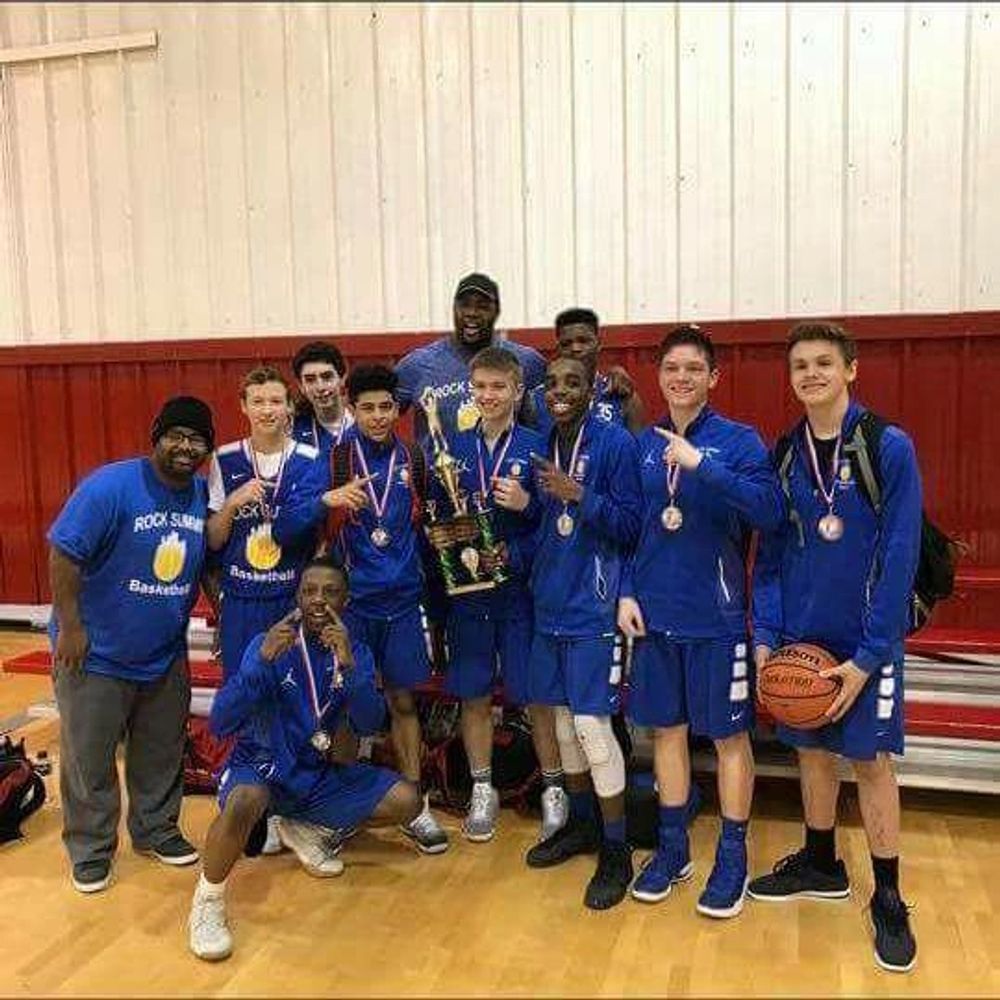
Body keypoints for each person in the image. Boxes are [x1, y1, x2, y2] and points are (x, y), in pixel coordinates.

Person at [750, 322, 922, 973]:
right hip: (803, 641)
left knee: (871, 763)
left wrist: (871, 657)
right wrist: (767, 637)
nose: (812, 374)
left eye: (824, 362)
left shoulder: (887, 446)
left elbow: (901, 554)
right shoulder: (787, 453)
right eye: (801, 365)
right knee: (813, 755)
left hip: (866, 644)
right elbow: (769, 555)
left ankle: (889, 896)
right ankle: (822, 863)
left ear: (851, 369)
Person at [618, 325, 783, 917]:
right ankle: (673, 850)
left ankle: (732, 858)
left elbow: (770, 511)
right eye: (671, 369)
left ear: (713, 377)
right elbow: (634, 526)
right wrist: (626, 591)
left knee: (730, 739)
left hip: (717, 619)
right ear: (659, 377)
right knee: (666, 733)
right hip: (656, 618)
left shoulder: (739, 441)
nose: (681, 378)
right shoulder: (642, 445)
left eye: (693, 369)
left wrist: (701, 467)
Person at [187, 556, 421, 961]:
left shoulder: (355, 652)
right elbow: (222, 721)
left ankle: (305, 828)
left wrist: (350, 668)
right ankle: (207, 902)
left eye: (330, 592)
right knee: (245, 801)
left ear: (346, 601)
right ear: (297, 597)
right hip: (260, 768)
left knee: (408, 801)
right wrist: (260, 663)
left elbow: (368, 723)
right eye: (309, 591)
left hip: (313, 776)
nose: (318, 600)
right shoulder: (269, 643)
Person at [48, 396, 215, 893]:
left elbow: (206, 561)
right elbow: (64, 553)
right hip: (96, 653)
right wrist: (71, 626)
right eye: (176, 436)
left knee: (161, 752)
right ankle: (91, 848)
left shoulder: (200, 493)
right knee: (89, 757)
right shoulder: (110, 486)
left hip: (163, 653)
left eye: (197, 439)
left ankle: (156, 830)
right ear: (156, 438)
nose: (185, 447)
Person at [282, 364, 450, 854]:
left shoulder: (414, 457)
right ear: (352, 409)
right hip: (349, 611)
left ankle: (415, 807)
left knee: (403, 703)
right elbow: (286, 527)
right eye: (368, 408)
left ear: (398, 410)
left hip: (402, 607)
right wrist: (326, 499)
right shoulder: (333, 461)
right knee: (343, 709)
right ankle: (340, 808)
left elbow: (431, 527)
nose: (378, 416)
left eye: (386, 407)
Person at [426, 346, 566, 842]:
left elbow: (557, 524)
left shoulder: (538, 445)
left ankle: (553, 788)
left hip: (520, 594)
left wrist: (527, 506)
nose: (488, 396)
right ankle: (482, 787)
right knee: (475, 695)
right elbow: (439, 519)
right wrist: (447, 549)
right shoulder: (450, 449)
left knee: (536, 697)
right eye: (480, 387)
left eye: (498, 387)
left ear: (518, 390)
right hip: (469, 595)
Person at [522, 356, 642, 910]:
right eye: (552, 383)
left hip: (593, 605)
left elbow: (632, 524)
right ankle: (582, 825)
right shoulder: (542, 442)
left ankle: (617, 849)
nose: (560, 391)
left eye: (572, 382)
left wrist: (579, 494)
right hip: (549, 600)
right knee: (563, 725)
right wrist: (527, 511)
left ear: (592, 388)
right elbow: (543, 526)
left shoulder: (615, 443)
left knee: (593, 726)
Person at [206, 366, 326, 853]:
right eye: (258, 401)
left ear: (290, 406)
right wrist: (232, 503)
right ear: (244, 406)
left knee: (296, 701)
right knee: (248, 699)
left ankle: (293, 805)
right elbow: (214, 540)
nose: (268, 410)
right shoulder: (225, 459)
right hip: (242, 600)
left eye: (276, 401)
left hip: (288, 599)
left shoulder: (311, 458)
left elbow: (314, 536)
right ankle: (255, 805)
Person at [395, 272, 547, 449]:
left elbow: (550, 423)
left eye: (482, 306)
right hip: (441, 466)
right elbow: (375, 414)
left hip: (505, 465)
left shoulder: (526, 362)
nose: (472, 313)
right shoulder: (417, 365)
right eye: (464, 305)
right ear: (454, 309)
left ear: (496, 311)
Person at [526, 307, 644, 437]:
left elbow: (638, 448)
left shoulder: (622, 395)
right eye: (566, 344)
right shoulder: (535, 400)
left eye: (583, 341)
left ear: (599, 343)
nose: (575, 348)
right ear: (558, 349)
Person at [290, 340, 354, 458]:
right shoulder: (292, 431)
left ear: (342, 379)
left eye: (327, 377)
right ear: (301, 386)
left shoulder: (362, 425)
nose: (320, 387)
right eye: (310, 380)